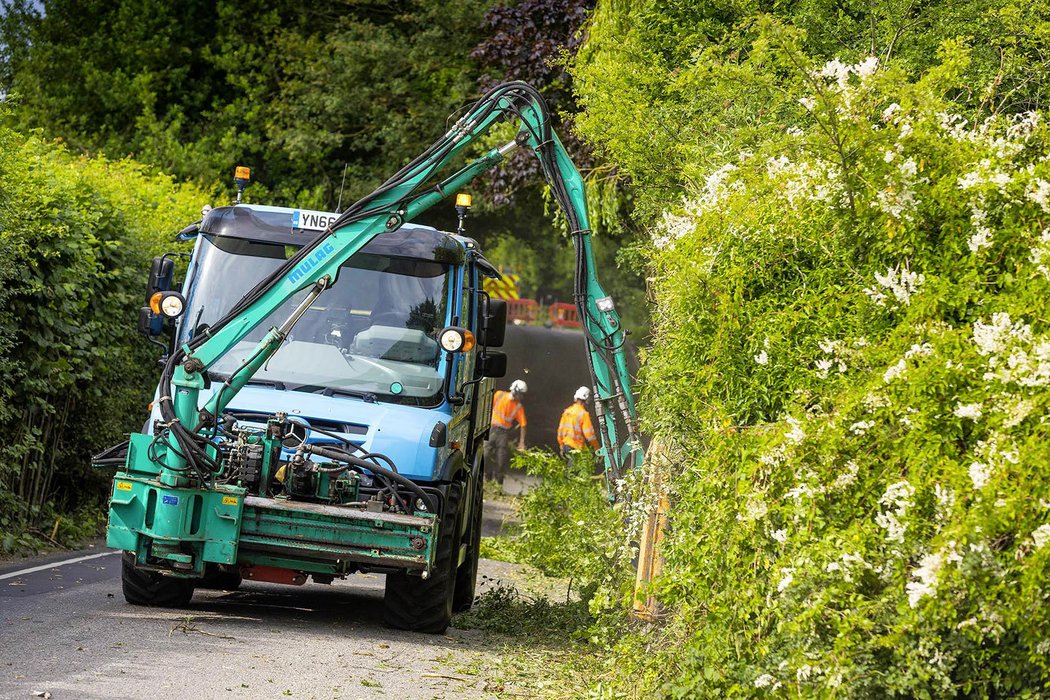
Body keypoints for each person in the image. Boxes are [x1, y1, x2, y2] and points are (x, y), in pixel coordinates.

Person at [486, 379, 527, 484]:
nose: (521, 397)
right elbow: (487, 407)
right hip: (491, 429)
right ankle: (488, 475)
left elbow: (523, 425)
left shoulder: (518, 406)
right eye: (521, 394)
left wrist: (521, 443)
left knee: (501, 458)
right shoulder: (499, 395)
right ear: (515, 391)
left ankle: (499, 482)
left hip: (503, 433)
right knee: (485, 454)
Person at [557, 386, 599, 459]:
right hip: (576, 447)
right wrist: (597, 448)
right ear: (587, 399)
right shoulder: (583, 414)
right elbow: (589, 435)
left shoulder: (567, 412)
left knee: (570, 469)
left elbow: (560, 432)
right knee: (576, 469)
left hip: (566, 446)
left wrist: (561, 446)